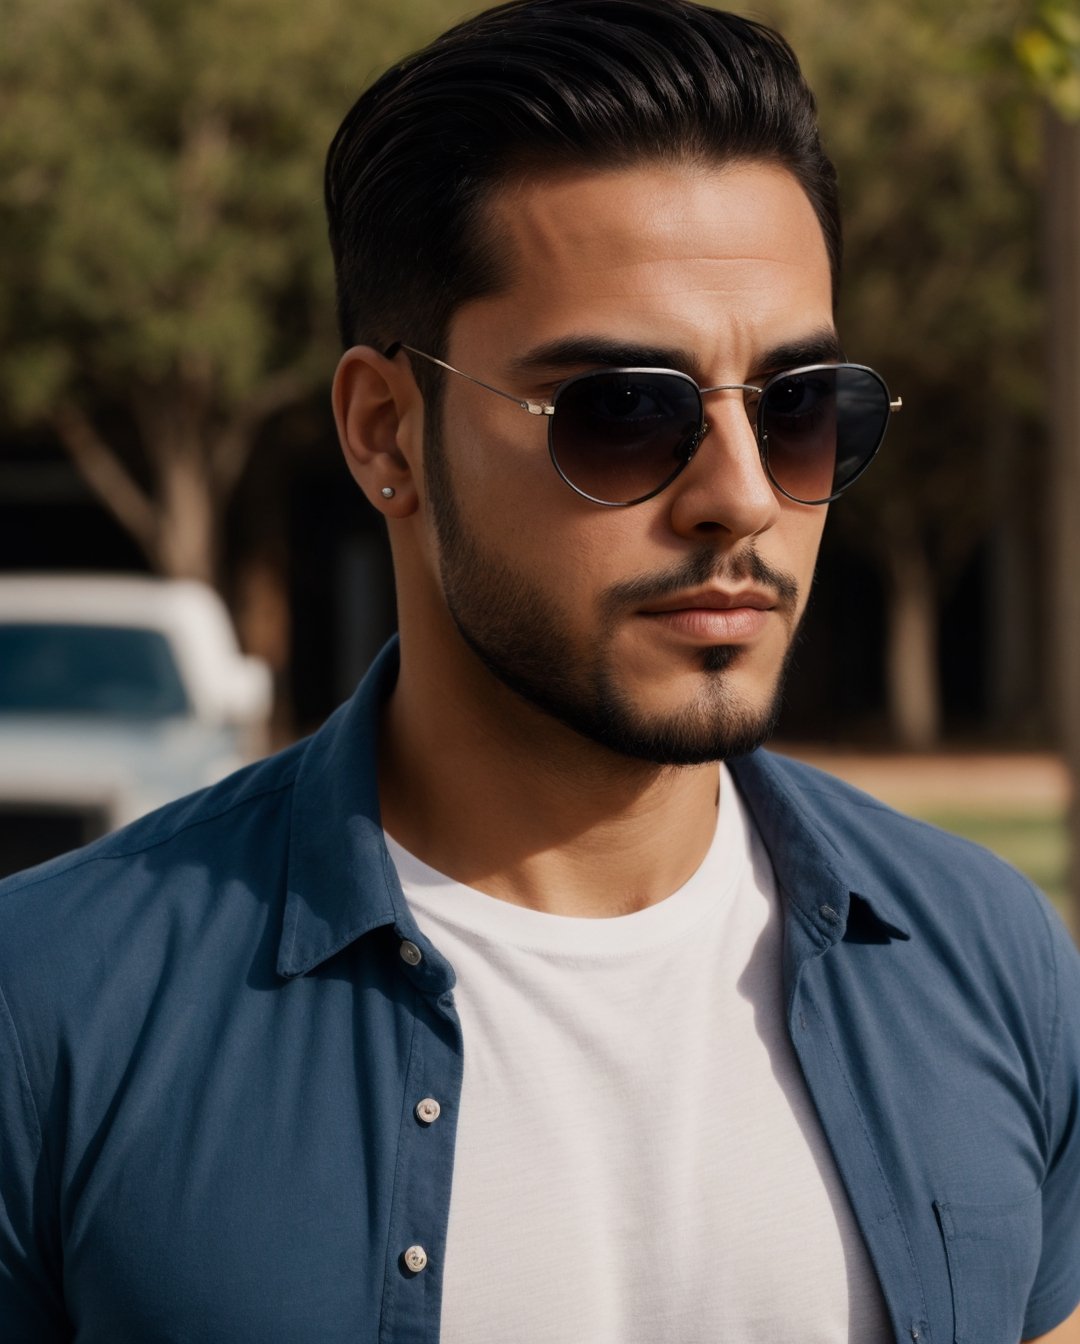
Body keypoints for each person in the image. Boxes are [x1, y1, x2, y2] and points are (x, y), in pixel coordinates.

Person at [1, 1, 1078, 1339]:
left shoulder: (988, 958)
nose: (740, 498)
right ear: (387, 432)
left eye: (801, 406)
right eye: (628, 411)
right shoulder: (51, 1008)